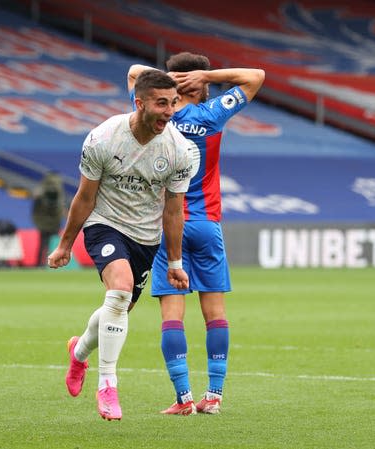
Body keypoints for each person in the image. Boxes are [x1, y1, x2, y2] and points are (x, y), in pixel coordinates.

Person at [48, 69, 193, 421]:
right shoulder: (103, 138)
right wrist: (65, 245)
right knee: (121, 288)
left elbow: (174, 210)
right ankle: (107, 385)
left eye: (173, 103)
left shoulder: (179, 150)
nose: (170, 111)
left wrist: (175, 264)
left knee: (118, 309)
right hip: (105, 224)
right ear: (139, 102)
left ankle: (78, 352)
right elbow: (85, 197)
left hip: (145, 237)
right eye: (162, 103)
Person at [127, 53, 265, 415]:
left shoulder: (158, 114)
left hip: (166, 226)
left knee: (172, 315)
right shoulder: (212, 114)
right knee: (215, 313)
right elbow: (255, 75)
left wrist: (171, 82)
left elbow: (134, 73)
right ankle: (214, 397)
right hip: (206, 224)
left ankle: (184, 398)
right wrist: (206, 75)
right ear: (200, 83)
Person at [31, 171, 66, 266]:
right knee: (52, 244)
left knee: (45, 244)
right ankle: (52, 263)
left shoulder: (53, 191)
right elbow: (61, 207)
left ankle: (41, 264)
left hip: (47, 222)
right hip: (51, 222)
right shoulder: (52, 191)